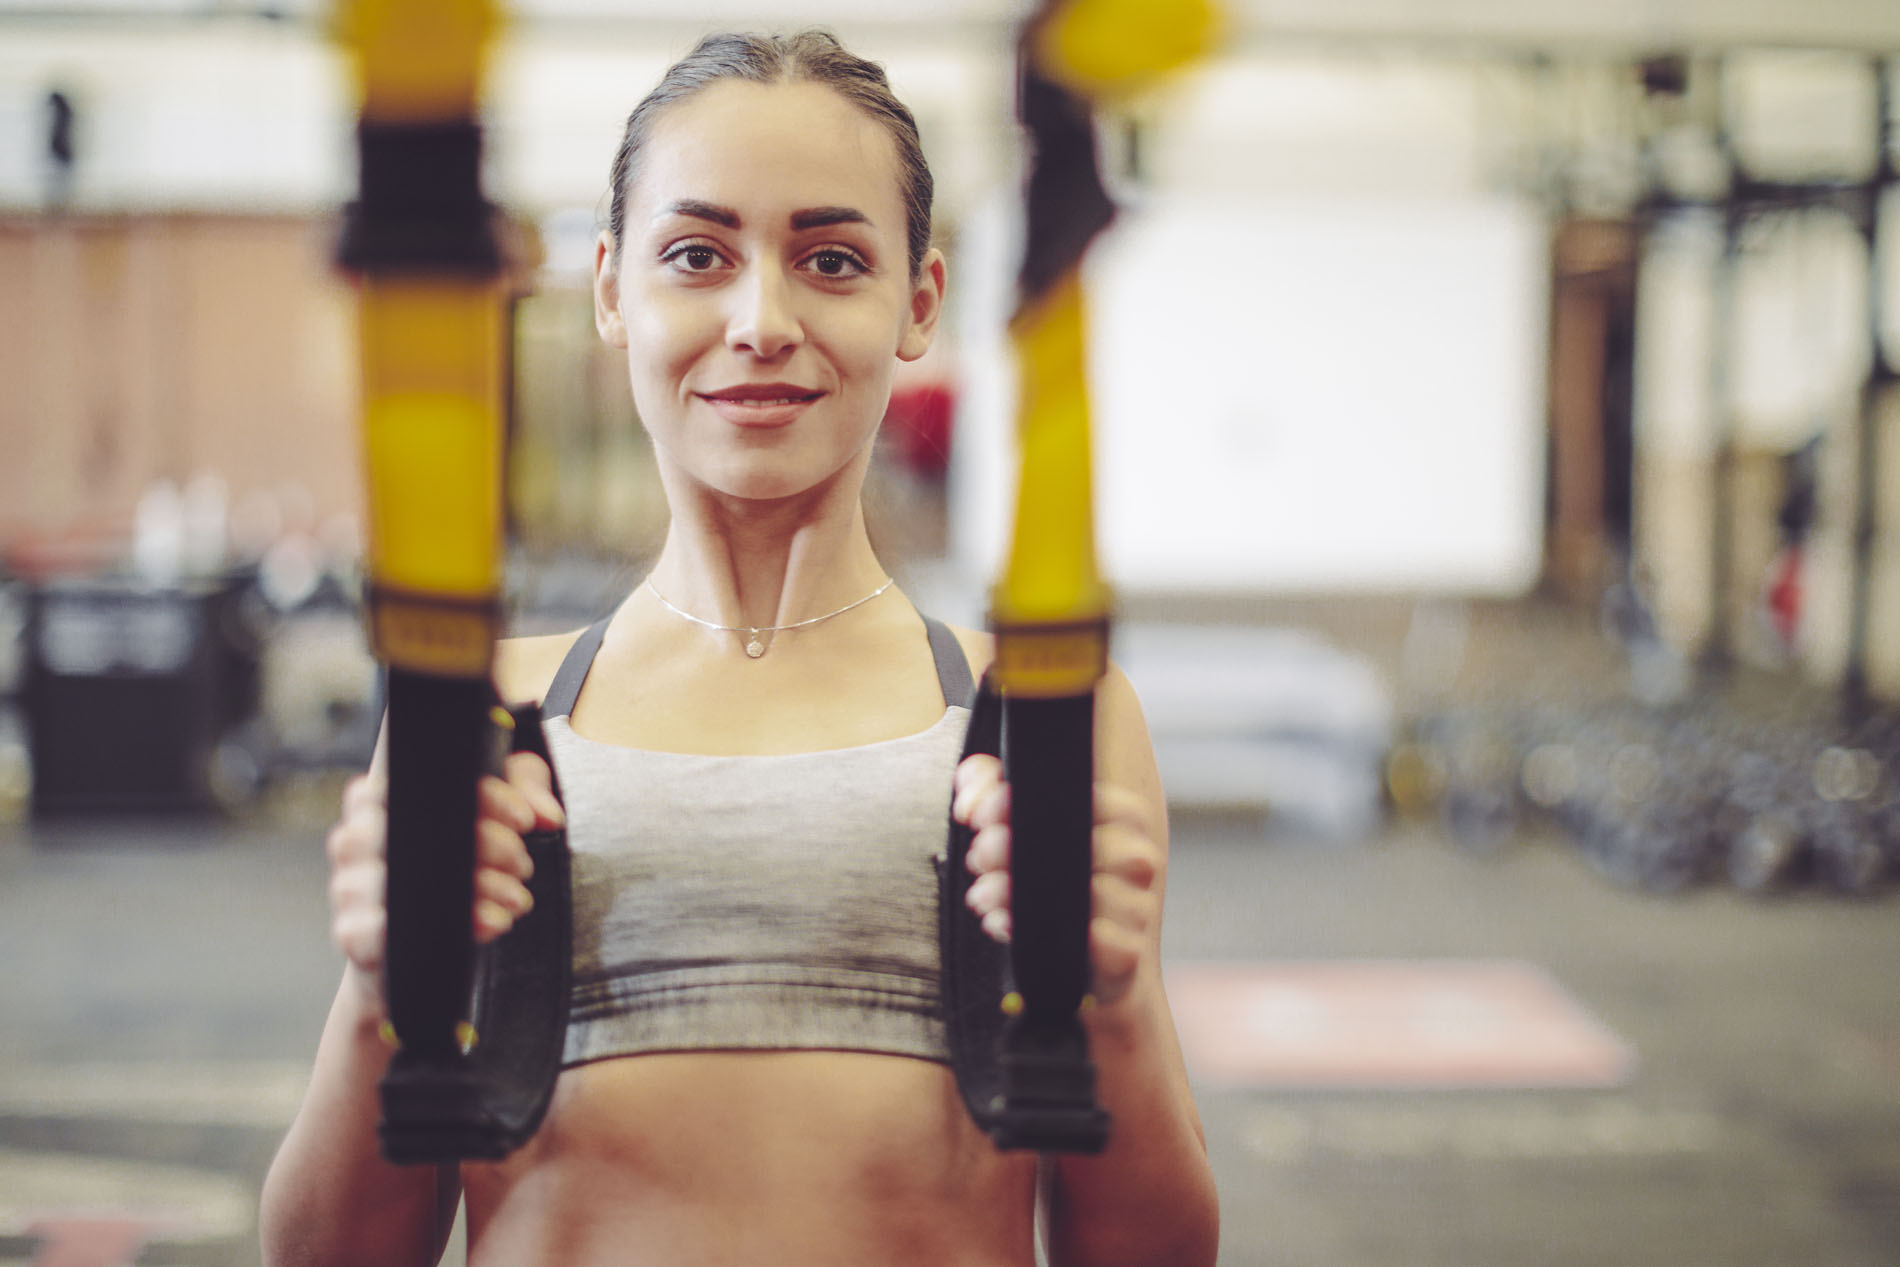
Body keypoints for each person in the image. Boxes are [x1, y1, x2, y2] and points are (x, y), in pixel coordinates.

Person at [260, 29, 1218, 1267]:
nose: (761, 321)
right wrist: (379, 999)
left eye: (829, 259)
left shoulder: (1046, 715)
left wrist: (1120, 1004)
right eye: (696, 255)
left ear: (919, 301)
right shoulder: (486, 712)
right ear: (612, 290)